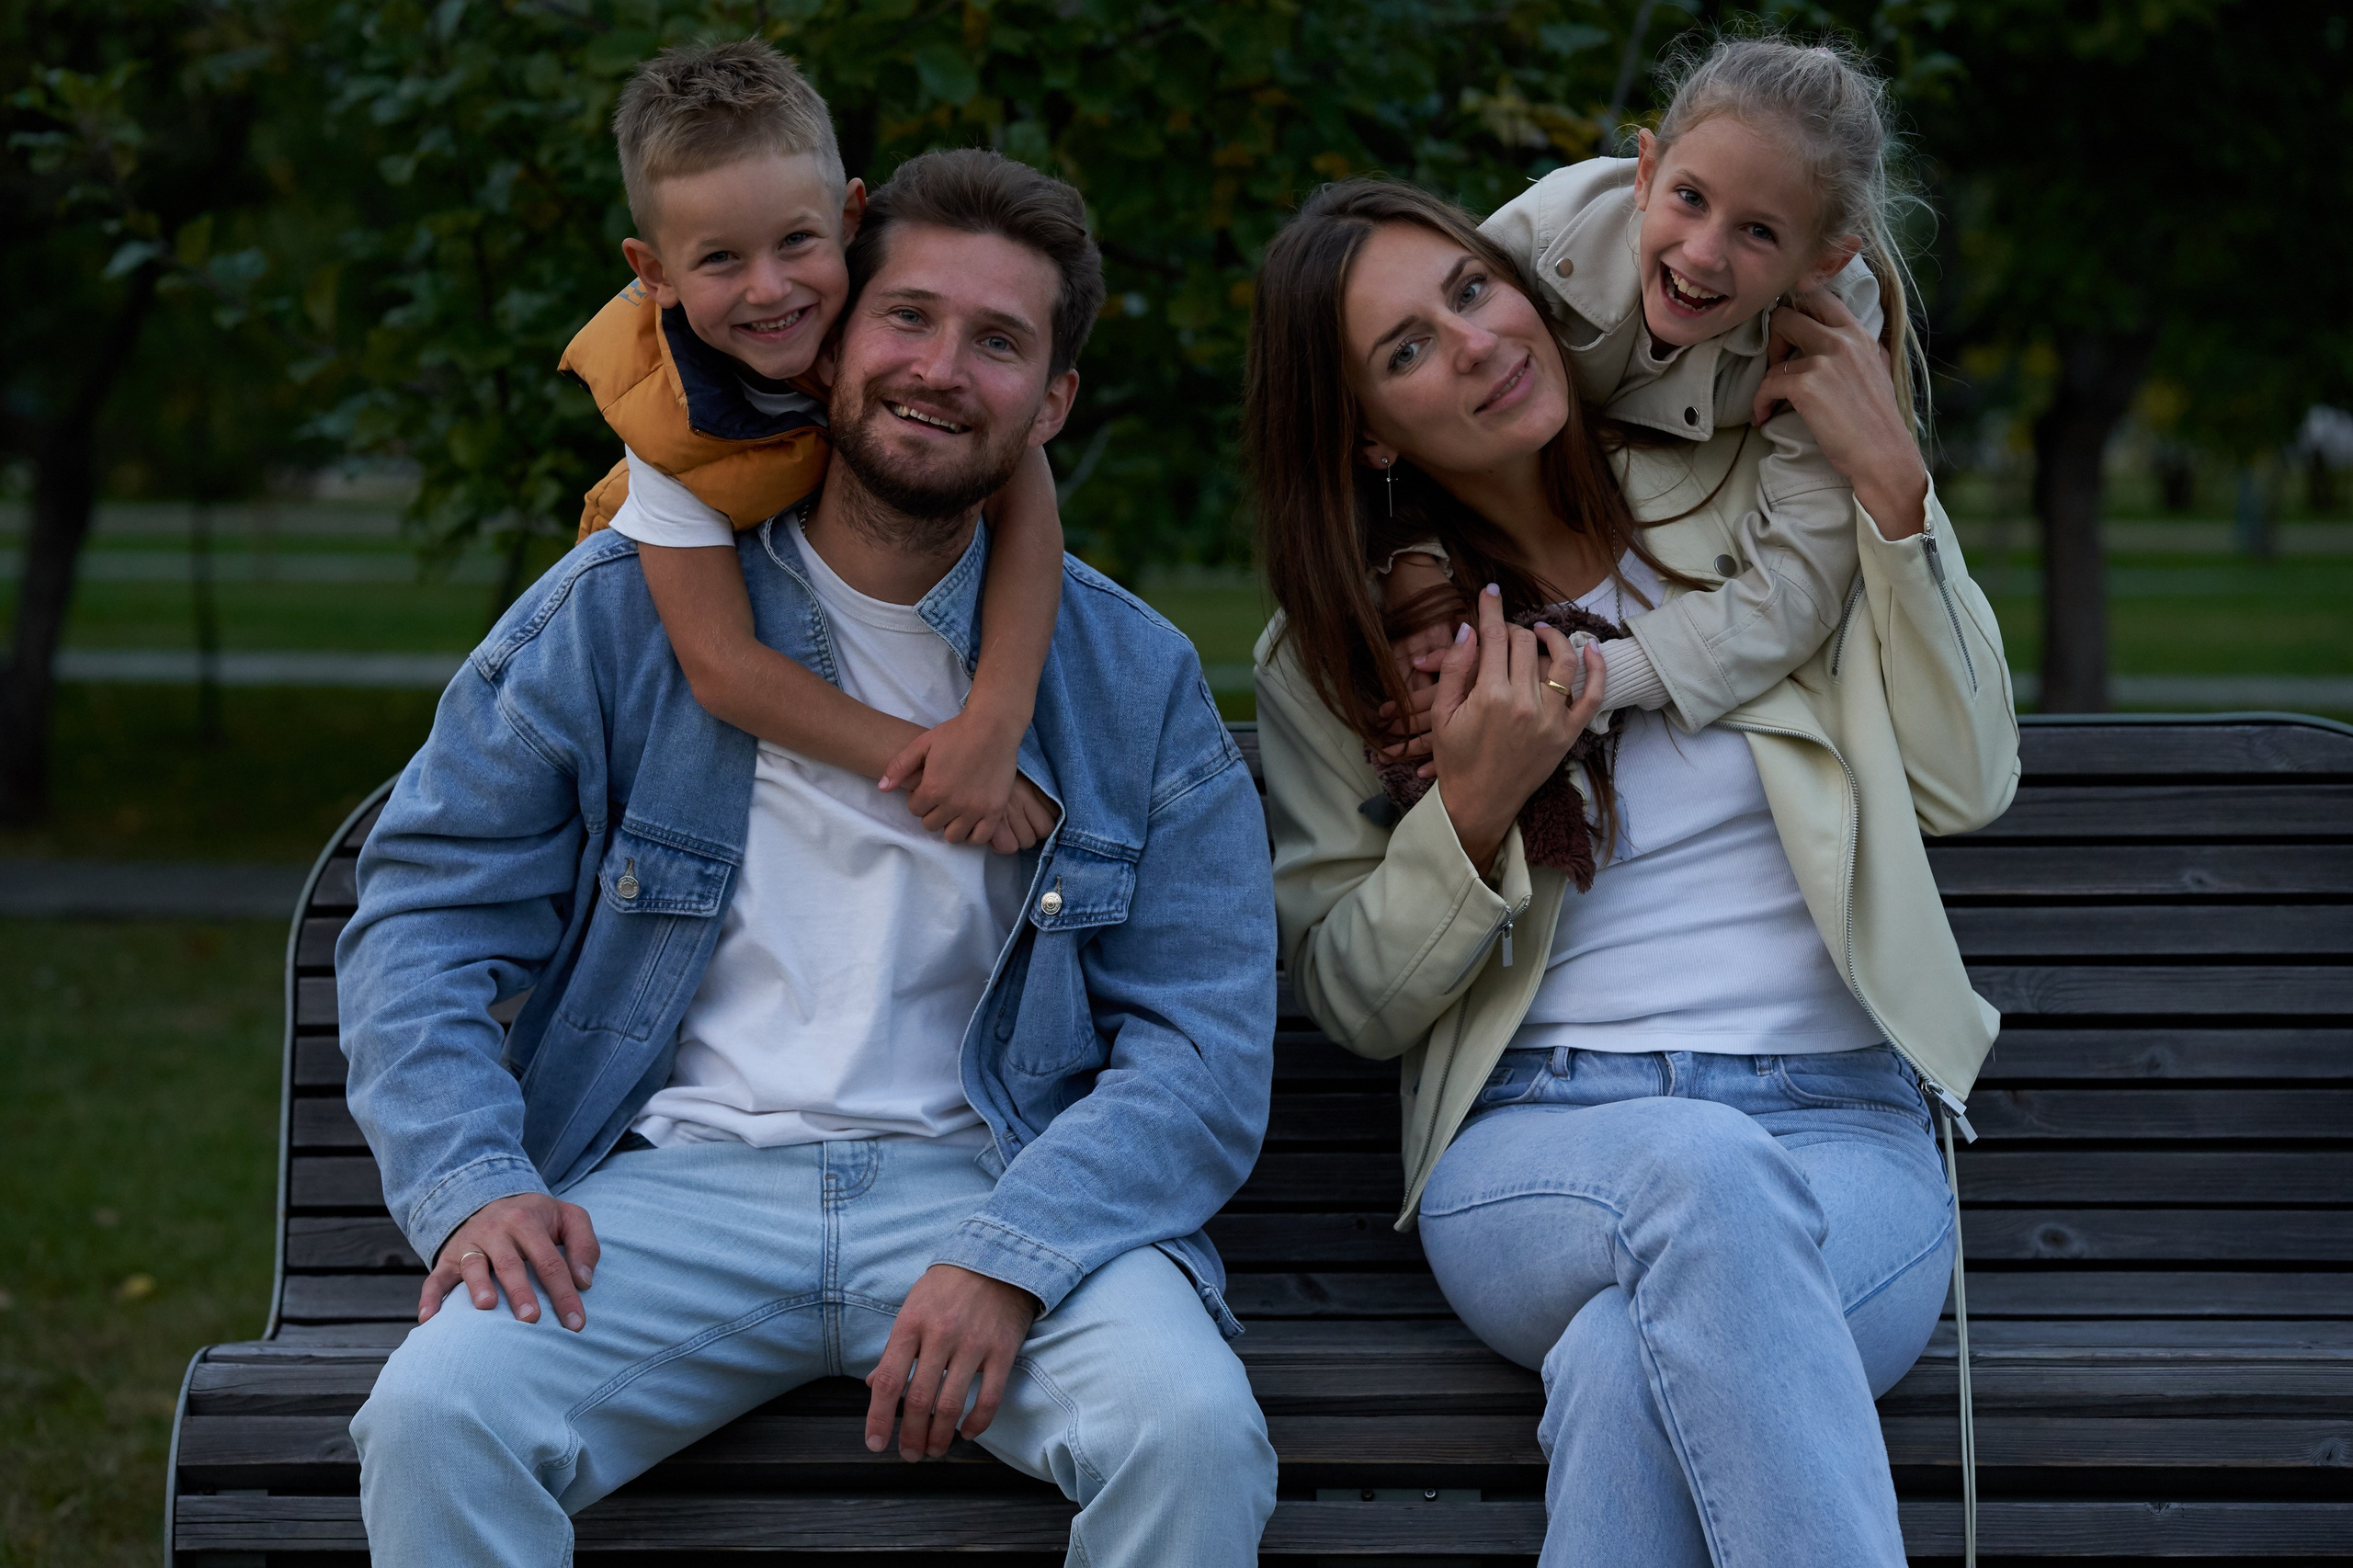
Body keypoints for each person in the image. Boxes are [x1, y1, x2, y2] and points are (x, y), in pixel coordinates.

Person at [338, 147, 1279, 1565]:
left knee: (1191, 1432)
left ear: (1052, 402)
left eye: (999, 341)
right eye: (909, 317)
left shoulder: (1130, 679)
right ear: (833, 342)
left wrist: (1012, 1254)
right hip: (666, 1191)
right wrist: (474, 1177)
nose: (940, 369)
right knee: (435, 1419)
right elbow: (427, 915)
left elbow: (1202, 1044)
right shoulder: (618, 610)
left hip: (995, 1182)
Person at [1244, 159, 2018, 1567]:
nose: (1475, 341)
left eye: (1474, 288)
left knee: (1624, 1363)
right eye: (1407, 349)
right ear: (1366, 434)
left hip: (1844, 1135)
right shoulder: (1344, 657)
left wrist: (1897, 494)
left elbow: (1966, 780)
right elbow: (1354, 998)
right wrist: (1470, 809)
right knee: (1701, 1173)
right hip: (1537, 1147)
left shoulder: (1764, 516)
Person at [562, 40, 1060, 851]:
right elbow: (721, 665)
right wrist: (943, 764)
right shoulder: (671, 424)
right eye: (720, 258)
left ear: (849, 217)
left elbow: (1027, 501)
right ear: (655, 272)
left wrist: (995, 725)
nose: (770, 288)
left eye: (797, 241)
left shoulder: (900, 338)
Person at [1380, 35, 1923, 748]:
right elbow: (1401, 403)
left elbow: (1801, 584)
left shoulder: (1834, 327)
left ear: (1822, 262)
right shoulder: (1544, 235)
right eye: (1690, 197)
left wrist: (1596, 677)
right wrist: (1411, 562)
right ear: (1645, 171)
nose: (1702, 253)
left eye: (1759, 232)